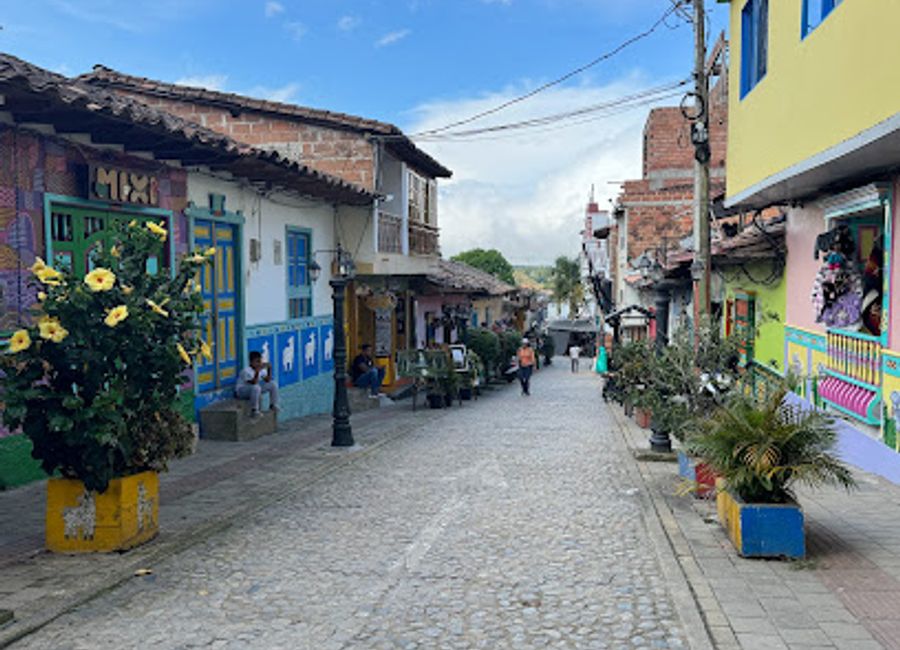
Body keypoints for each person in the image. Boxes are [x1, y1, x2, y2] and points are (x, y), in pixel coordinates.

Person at [235, 350, 278, 417]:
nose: (259, 363)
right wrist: (257, 372)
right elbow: (253, 382)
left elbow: (268, 380)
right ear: (251, 362)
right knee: (256, 387)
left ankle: (273, 405)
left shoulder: (261, 370)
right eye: (257, 362)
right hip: (242, 392)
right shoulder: (246, 371)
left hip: (254, 390)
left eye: (260, 361)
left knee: (273, 384)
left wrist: (269, 369)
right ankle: (254, 410)